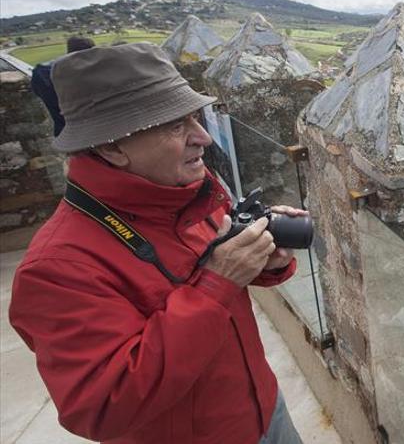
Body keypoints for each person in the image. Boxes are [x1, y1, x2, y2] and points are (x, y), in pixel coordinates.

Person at [9, 43, 305, 444]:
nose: (202, 137)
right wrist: (217, 284)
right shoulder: (57, 268)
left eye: (194, 118)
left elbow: (215, 280)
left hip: (265, 408)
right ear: (112, 147)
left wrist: (266, 261)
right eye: (174, 125)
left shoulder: (184, 190)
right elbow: (104, 407)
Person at [30, 36, 95, 136]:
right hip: (89, 130)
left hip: (64, 130)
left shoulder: (41, 73)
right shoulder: (85, 73)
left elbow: (37, 92)